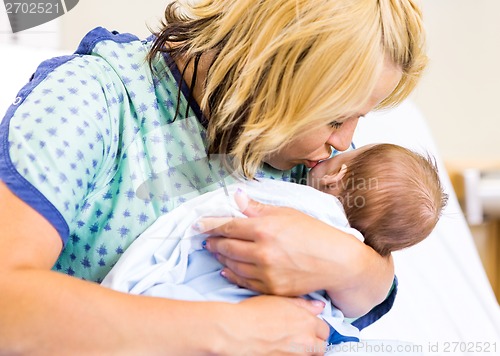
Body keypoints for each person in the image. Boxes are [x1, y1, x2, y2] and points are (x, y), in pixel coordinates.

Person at [0, 0, 427, 354]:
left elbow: (374, 283)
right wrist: (223, 330)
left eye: (358, 118)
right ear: (269, 72)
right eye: (335, 118)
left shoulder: (310, 163)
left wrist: (347, 264)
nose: (345, 142)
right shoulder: (95, 100)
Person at [101, 143, 448, 346]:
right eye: (338, 121)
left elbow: (229, 206)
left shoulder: (309, 205)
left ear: (336, 176)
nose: (344, 141)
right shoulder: (356, 227)